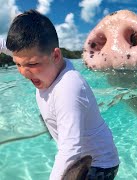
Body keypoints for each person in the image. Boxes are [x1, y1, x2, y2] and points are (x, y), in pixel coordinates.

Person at [6, 10, 120, 180]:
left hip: (100, 164)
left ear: (56, 55)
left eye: (32, 64)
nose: (24, 73)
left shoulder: (68, 88)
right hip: (81, 157)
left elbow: (70, 149)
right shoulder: (46, 68)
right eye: (17, 64)